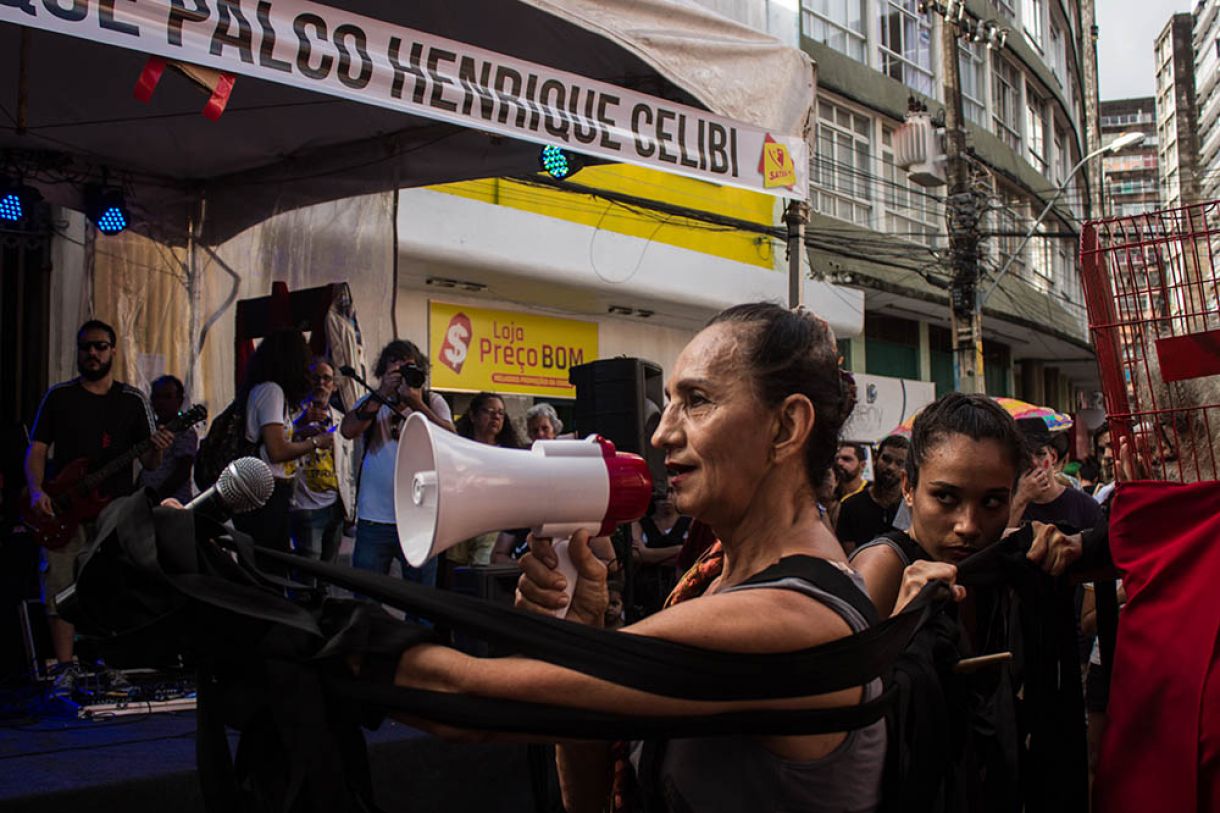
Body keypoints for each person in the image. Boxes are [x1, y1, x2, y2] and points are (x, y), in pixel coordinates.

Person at [389, 303, 885, 812]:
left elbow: (466, 703)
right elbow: (590, 799)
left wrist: (342, 641)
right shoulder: (717, 577)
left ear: (785, 427)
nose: (661, 434)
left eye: (696, 401)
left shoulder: (796, 620)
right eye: (669, 402)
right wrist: (576, 637)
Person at [24, 319, 173, 694]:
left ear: (113, 351)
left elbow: (151, 465)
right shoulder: (59, 397)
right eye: (86, 347)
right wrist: (36, 490)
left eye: (100, 346)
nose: (92, 353)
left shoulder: (133, 400)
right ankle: (63, 667)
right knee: (60, 582)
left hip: (114, 512)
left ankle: (111, 663)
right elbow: (37, 449)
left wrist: (157, 448)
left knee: (112, 586)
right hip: (65, 509)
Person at [341, 340, 453, 588]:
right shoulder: (371, 401)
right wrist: (381, 394)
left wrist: (416, 403)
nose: (402, 371)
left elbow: (451, 440)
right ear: (383, 370)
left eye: (409, 366)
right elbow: (347, 430)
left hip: (421, 518)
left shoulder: (432, 401)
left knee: (422, 601)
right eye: (395, 364)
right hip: (374, 518)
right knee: (367, 596)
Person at [233, 329, 330, 576]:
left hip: (270, 492)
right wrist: (318, 441)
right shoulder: (271, 391)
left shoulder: (268, 390)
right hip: (266, 493)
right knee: (269, 570)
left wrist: (298, 432)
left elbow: (272, 441)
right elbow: (277, 451)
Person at [288, 358, 357, 584]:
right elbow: (279, 446)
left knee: (328, 574)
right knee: (307, 572)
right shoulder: (292, 414)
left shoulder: (342, 419)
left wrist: (350, 509)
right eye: (316, 377)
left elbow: (349, 466)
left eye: (326, 378)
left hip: (334, 506)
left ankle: (322, 614)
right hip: (306, 504)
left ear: (334, 385)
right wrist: (300, 426)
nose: (321, 383)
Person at [447, 392, 523, 572]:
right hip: (459, 519)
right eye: (489, 411)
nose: (496, 417)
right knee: (456, 573)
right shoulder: (457, 447)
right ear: (473, 416)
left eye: (501, 413)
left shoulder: (510, 453)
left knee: (482, 572)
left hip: (492, 523)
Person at [1009, 417, 1101, 533]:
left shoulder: (1084, 506)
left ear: (1053, 457)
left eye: (1040, 454)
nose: (1034, 463)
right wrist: (1021, 500)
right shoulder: (1008, 506)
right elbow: (997, 546)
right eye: (1025, 456)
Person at [834, 435, 909, 553]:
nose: (891, 467)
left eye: (899, 463)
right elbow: (850, 557)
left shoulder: (911, 507)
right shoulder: (851, 506)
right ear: (875, 458)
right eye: (886, 459)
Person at [138, 374, 198, 504]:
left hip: (172, 503)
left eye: (168, 397)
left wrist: (157, 497)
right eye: (157, 397)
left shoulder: (184, 431)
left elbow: (182, 471)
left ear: (180, 400)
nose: (162, 402)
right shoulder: (150, 429)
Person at [826, 442, 868, 527]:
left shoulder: (869, 493)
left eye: (846, 459)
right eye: (837, 459)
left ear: (862, 465)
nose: (839, 463)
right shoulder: (830, 494)